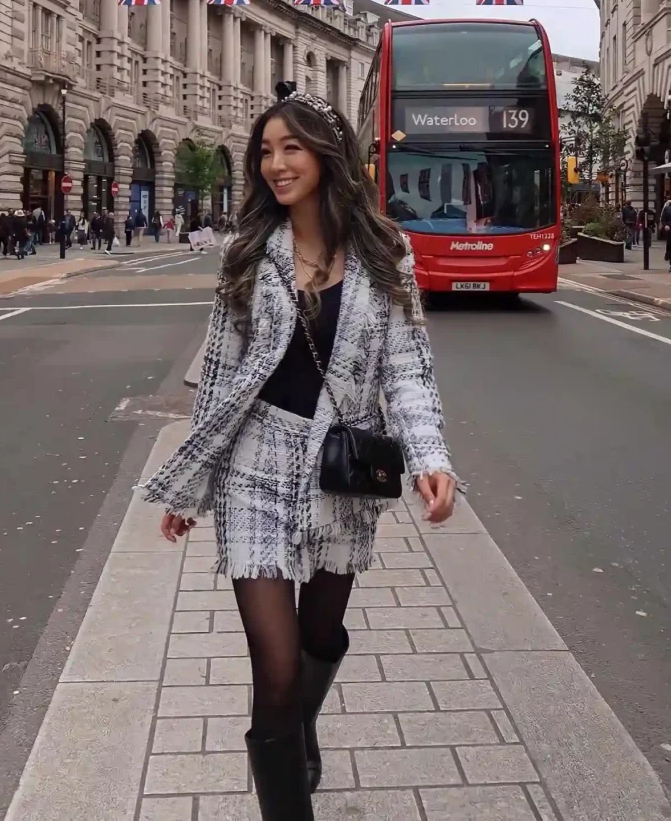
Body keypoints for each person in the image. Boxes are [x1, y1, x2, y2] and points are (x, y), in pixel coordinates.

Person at [141, 92, 459, 819]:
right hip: (254, 464)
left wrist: (429, 457)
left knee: (318, 635)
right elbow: (219, 378)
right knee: (274, 672)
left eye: (291, 148)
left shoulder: (385, 252)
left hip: (339, 473)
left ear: (327, 155)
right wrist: (191, 489)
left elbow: (406, 369)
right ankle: (287, 766)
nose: (275, 164)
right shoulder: (248, 253)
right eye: (265, 151)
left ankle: (303, 725)